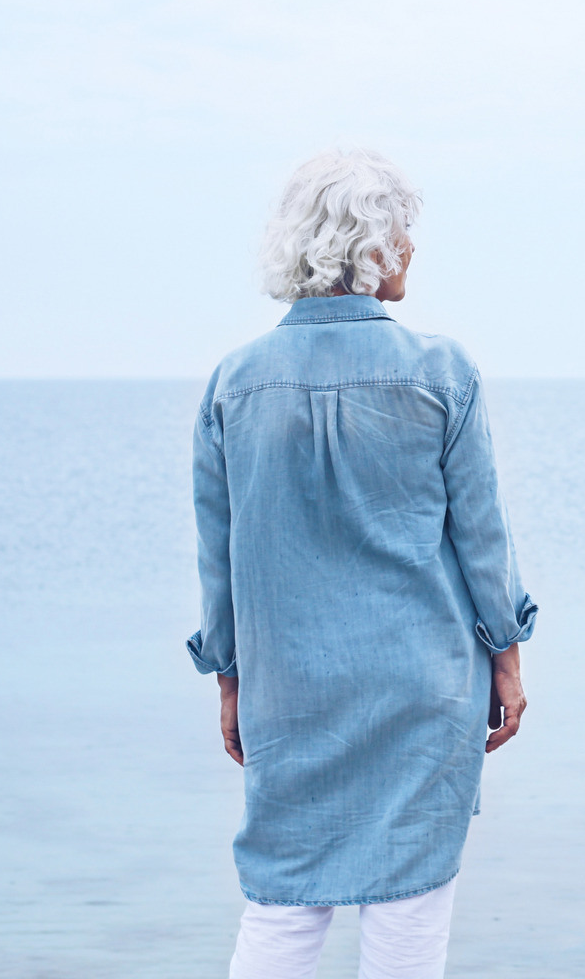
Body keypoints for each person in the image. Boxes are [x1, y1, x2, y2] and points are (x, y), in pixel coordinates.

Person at [187, 148, 537, 979]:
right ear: (370, 245)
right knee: (409, 919)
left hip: (290, 691)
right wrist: (507, 657)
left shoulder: (235, 383)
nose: (412, 249)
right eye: (403, 231)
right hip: (422, 685)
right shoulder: (441, 372)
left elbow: (219, 557)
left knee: (282, 904)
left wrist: (230, 678)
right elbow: (482, 538)